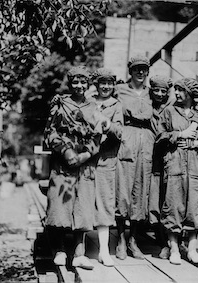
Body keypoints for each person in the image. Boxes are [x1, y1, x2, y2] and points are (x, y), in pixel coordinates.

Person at [43, 66, 101, 270]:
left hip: (84, 164)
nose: (79, 86)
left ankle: (79, 254)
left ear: (88, 84)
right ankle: (58, 249)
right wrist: (67, 152)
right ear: (70, 83)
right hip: (63, 161)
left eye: (83, 82)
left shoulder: (94, 107)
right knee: (60, 204)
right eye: (75, 82)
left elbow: (97, 136)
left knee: (83, 205)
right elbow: (50, 133)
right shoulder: (60, 104)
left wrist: (85, 154)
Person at [157, 77, 198, 265]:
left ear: (190, 93)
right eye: (177, 90)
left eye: (181, 90)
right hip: (174, 164)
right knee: (173, 205)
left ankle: (191, 249)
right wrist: (178, 135)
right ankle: (174, 248)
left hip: (196, 166)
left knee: (195, 208)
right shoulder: (168, 112)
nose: (177, 93)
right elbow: (159, 137)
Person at [114, 55, 154, 260]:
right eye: (137, 69)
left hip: (146, 138)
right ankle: (120, 239)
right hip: (127, 136)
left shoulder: (152, 93)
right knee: (123, 190)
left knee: (141, 190)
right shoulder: (119, 90)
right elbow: (100, 101)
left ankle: (133, 240)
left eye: (144, 69)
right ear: (130, 71)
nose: (140, 72)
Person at [91, 68, 123, 267]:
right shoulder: (89, 103)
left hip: (106, 159)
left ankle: (103, 250)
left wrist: (107, 125)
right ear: (97, 84)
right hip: (85, 159)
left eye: (110, 83)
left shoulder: (116, 105)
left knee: (104, 203)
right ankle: (79, 251)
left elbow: (120, 132)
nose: (106, 86)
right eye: (103, 82)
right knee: (83, 202)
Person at [147, 75, 174, 259]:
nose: (159, 94)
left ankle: (169, 243)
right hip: (150, 159)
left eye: (163, 91)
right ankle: (160, 238)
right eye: (156, 90)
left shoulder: (172, 109)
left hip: (168, 159)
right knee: (153, 200)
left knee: (168, 200)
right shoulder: (146, 107)